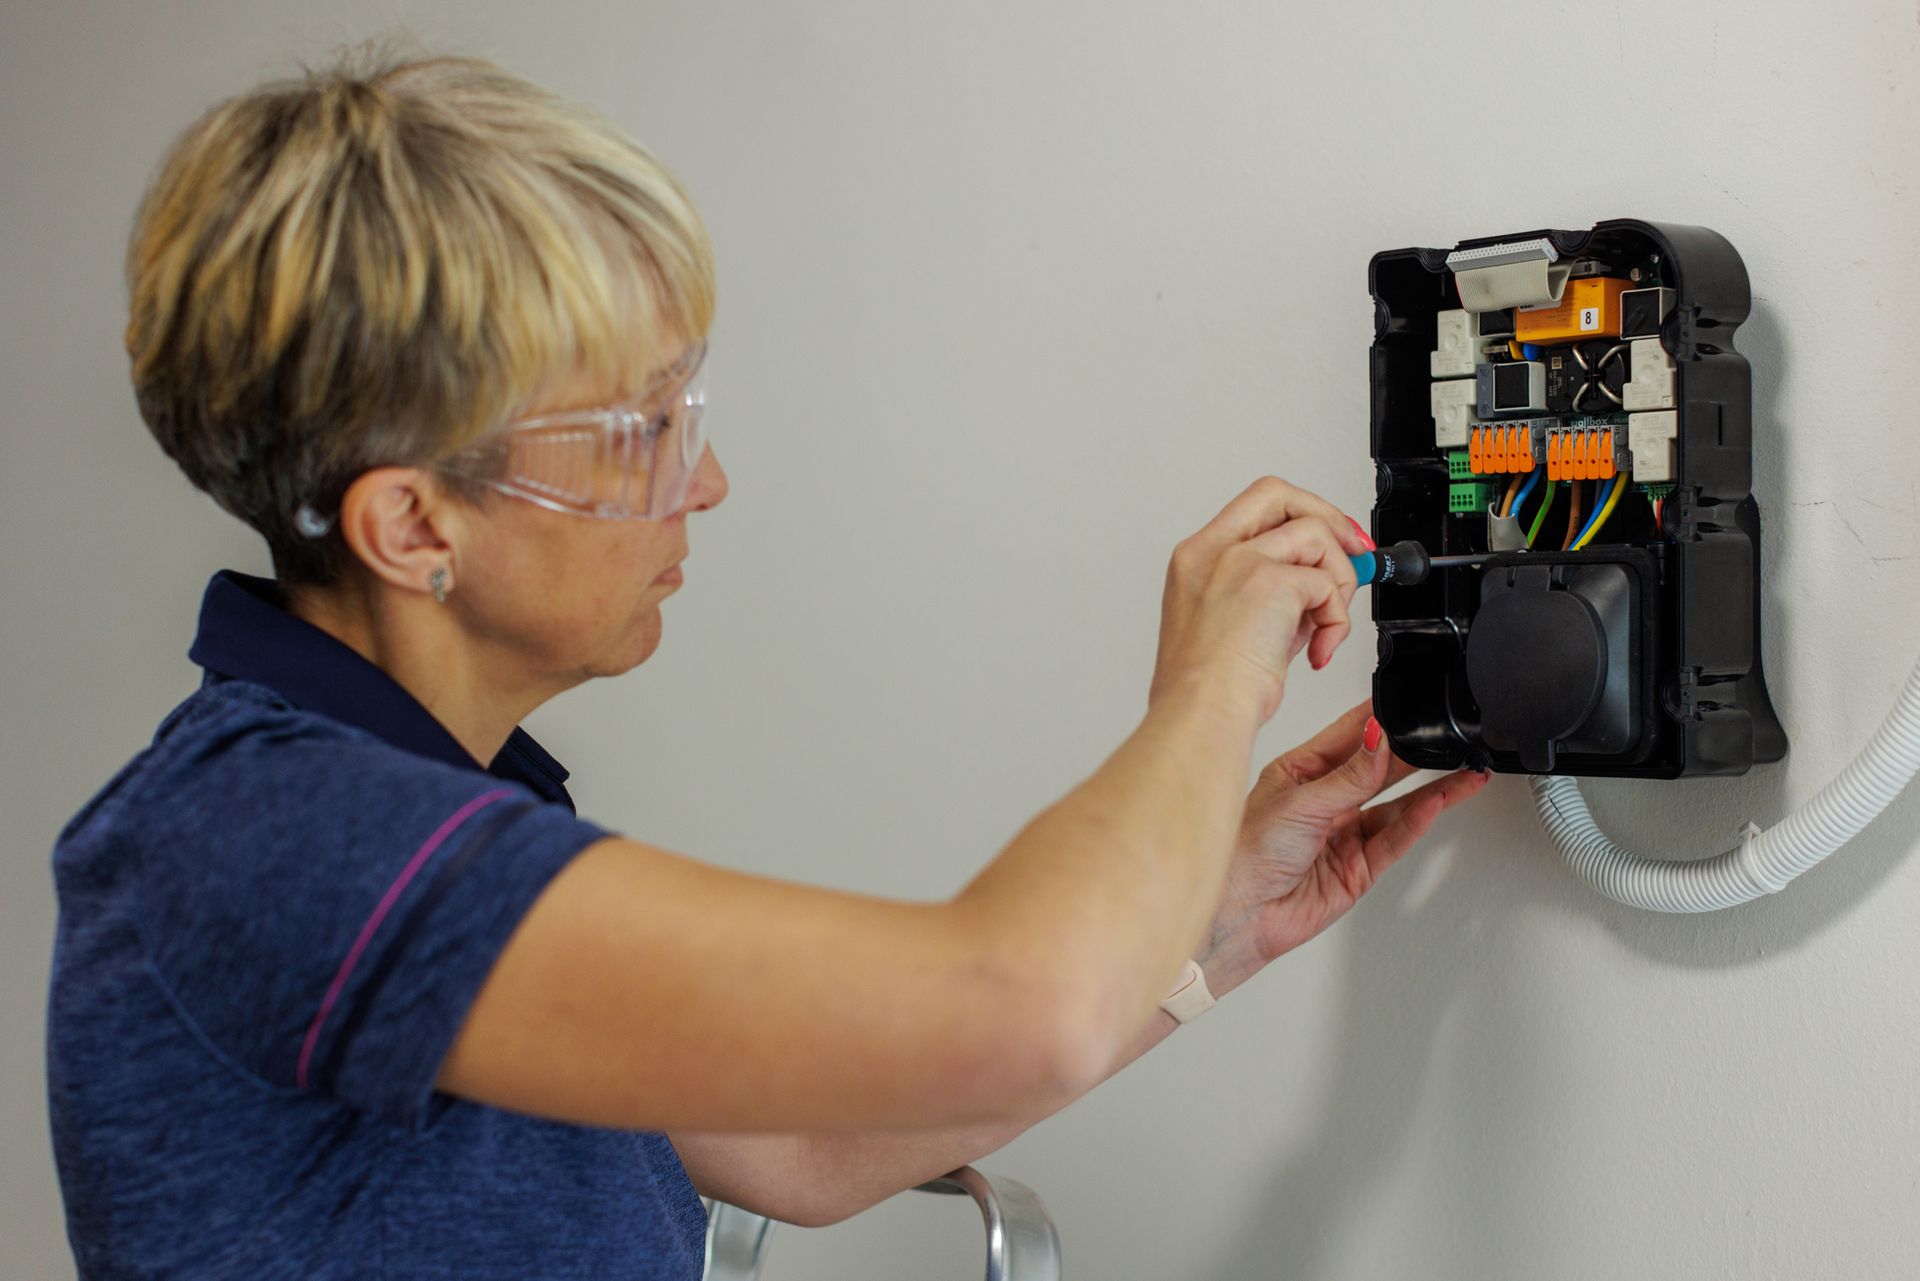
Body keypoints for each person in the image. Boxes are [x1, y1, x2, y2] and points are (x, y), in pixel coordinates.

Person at [45, 48, 1489, 1281]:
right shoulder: (277, 838)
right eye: (641, 431)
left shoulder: (428, 810)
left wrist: (1221, 921)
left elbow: (799, 1150)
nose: (709, 477)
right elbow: (1016, 1005)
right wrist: (1208, 690)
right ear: (413, 521)